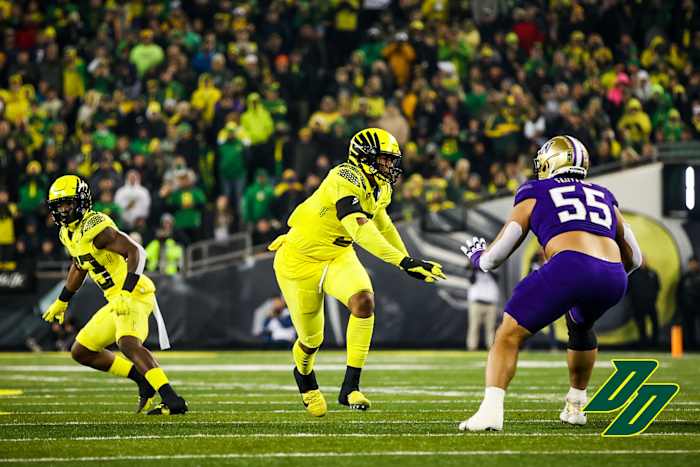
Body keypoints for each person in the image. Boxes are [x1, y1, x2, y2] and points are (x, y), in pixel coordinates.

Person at [459, 135, 641, 431]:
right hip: (613, 275)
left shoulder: (535, 190)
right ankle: (576, 405)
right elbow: (636, 259)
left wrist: (477, 255)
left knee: (507, 334)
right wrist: (601, 275)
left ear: (550, 163)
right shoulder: (604, 194)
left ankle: (491, 412)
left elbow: (495, 258)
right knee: (580, 326)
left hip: (571, 266)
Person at [268, 128, 446, 417]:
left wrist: (407, 259)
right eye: (385, 160)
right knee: (312, 340)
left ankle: (350, 386)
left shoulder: (381, 187)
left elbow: (383, 224)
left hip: (338, 255)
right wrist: (401, 262)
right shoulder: (344, 177)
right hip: (299, 260)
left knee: (363, 301)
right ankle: (304, 376)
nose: (391, 166)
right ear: (365, 158)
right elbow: (361, 231)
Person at [42, 175, 187, 415]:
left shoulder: (95, 227)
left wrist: (126, 292)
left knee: (128, 343)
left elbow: (136, 252)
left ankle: (173, 400)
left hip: (133, 293)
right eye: (59, 206)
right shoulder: (67, 233)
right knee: (81, 351)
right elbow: (80, 266)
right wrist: (62, 301)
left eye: (68, 203)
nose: (64, 210)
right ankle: (141, 378)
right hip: (115, 299)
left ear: (82, 201)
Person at [627, 259, 660, 347]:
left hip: (651, 303)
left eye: (644, 260)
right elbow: (628, 290)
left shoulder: (652, 273)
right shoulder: (633, 274)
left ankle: (655, 343)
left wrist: (653, 298)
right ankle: (643, 343)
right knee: (641, 325)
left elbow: (657, 287)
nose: (642, 262)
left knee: (655, 323)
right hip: (638, 304)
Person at [466, 266, 500, 351]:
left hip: (491, 303)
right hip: (477, 303)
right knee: (474, 327)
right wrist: (475, 267)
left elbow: (497, 278)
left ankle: (491, 348)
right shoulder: (473, 270)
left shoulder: (492, 266)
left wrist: (485, 266)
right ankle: (472, 348)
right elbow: (471, 280)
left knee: (491, 328)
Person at [677, 255, 700, 350]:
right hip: (688, 307)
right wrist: (681, 304)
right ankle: (691, 346)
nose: (692, 265)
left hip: (698, 305)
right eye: (690, 263)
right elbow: (679, 291)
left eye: (694, 263)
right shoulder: (685, 276)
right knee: (689, 327)